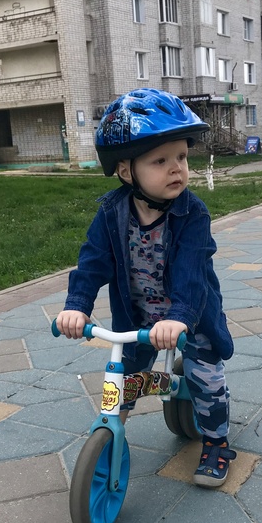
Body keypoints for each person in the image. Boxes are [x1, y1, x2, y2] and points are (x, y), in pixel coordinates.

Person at [55, 88, 235, 487]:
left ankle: (217, 443)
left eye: (181, 157)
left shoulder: (193, 214)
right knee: (123, 379)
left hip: (191, 316)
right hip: (137, 321)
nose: (177, 169)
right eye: (160, 160)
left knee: (206, 378)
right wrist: (77, 305)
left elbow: (191, 273)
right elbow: (92, 261)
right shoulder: (111, 213)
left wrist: (180, 318)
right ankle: (110, 435)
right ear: (126, 171)